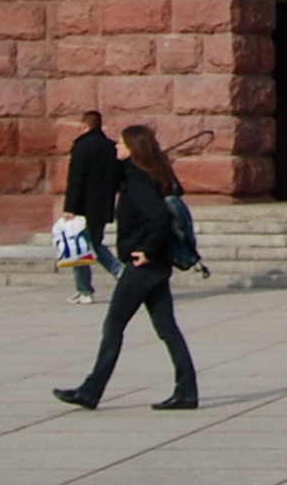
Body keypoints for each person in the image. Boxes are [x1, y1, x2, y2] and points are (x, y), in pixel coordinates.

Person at [55, 124, 200, 411]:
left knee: (114, 326)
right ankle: (186, 391)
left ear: (133, 148)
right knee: (167, 329)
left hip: (143, 268)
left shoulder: (137, 180)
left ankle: (91, 390)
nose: (116, 148)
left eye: (121, 144)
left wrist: (147, 251)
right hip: (157, 268)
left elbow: (158, 217)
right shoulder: (152, 175)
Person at [62, 111, 119, 304]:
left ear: (84, 126)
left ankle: (85, 289)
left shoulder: (81, 147)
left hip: (83, 207)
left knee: (80, 248)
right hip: (103, 206)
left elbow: (76, 180)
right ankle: (117, 273)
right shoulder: (111, 147)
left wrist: (69, 207)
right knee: (94, 243)